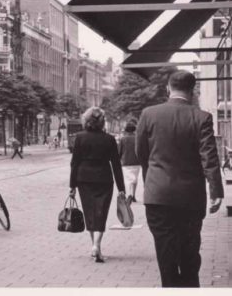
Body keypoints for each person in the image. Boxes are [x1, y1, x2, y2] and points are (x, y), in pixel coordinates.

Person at [136, 70, 223, 287]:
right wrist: (216, 191)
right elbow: (209, 157)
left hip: (158, 197)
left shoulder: (148, 114)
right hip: (190, 199)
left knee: (166, 257)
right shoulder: (201, 117)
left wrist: (152, 178)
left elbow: (141, 152)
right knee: (189, 256)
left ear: (168, 88)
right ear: (192, 91)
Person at [69, 106, 125, 263]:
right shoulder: (109, 139)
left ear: (86, 121)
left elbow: (74, 163)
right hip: (104, 179)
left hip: (84, 179)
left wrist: (72, 186)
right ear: (102, 122)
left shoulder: (80, 138)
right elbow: (116, 165)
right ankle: (96, 246)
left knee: (89, 212)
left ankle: (95, 246)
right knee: (101, 212)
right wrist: (121, 188)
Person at [118, 120, 140, 203]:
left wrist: (118, 161)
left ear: (126, 129)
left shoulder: (123, 139)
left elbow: (119, 151)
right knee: (135, 179)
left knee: (128, 180)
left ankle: (130, 195)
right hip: (136, 161)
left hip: (126, 162)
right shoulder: (137, 138)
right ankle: (133, 195)